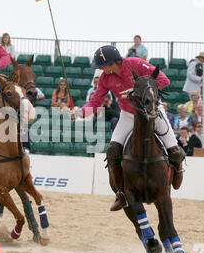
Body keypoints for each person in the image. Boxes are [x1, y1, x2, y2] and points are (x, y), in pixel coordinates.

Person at [75, 45, 185, 211]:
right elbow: (96, 101)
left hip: (152, 111)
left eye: (102, 66)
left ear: (112, 63)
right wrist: (79, 113)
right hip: (128, 115)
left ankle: (176, 174)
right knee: (112, 151)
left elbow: (163, 80)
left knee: (174, 149)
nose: (100, 70)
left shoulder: (136, 64)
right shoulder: (105, 78)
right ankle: (121, 194)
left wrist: (144, 93)